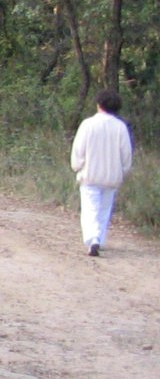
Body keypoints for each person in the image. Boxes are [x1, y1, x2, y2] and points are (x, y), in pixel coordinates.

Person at [70, 88, 134, 257]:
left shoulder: (88, 124)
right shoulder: (120, 127)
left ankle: (93, 239)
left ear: (99, 104)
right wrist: (123, 171)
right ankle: (100, 238)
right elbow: (126, 154)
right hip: (112, 177)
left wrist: (77, 166)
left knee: (90, 208)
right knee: (105, 209)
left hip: (90, 175)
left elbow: (78, 150)